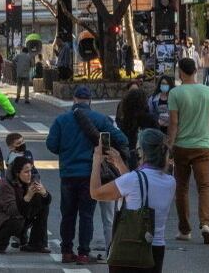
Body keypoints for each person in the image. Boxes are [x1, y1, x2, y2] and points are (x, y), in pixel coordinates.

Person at [46, 85, 126, 265]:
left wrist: (65, 151)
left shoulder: (61, 120)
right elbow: (121, 139)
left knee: (67, 214)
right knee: (86, 215)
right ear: (89, 100)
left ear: (74, 99)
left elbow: (51, 145)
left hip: (67, 174)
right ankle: (83, 253)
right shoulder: (100, 119)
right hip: (90, 175)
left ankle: (66, 251)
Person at [90, 129, 176, 273]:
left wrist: (96, 160)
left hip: (128, 247)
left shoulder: (132, 180)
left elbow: (95, 193)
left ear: (142, 152)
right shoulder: (170, 182)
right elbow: (139, 189)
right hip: (155, 249)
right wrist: (119, 163)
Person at [167, 57, 209, 244]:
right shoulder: (207, 91)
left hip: (181, 146)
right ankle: (206, 224)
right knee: (204, 186)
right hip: (203, 145)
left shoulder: (175, 93)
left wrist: (169, 145)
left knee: (181, 188)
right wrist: (203, 129)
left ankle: (184, 229)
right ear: (196, 71)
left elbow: (173, 123)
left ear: (180, 72)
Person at [0, 157, 51, 254]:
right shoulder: (6, 185)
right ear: (17, 173)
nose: (29, 175)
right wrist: (28, 196)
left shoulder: (32, 179)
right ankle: (0, 243)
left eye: (30, 171)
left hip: (21, 214)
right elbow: (13, 210)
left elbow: (46, 202)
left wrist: (44, 193)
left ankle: (37, 243)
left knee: (43, 205)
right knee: (17, 221)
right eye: (26, 172)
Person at [116, 88, 159, 170]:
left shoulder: (125, 119)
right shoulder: (150, 119)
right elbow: (156, 137)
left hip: (130, 153)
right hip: (148, 155)